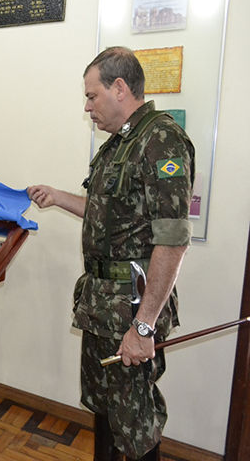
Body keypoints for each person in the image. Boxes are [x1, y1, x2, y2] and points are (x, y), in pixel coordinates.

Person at [28, 47, 194, 461]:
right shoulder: (120, 142)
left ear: (120, 88)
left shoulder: (160, 139)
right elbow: (110, 213)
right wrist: (59, 197)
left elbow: (172, 239)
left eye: (91, 95)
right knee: (105, 410)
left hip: (130, 308)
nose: (87, 107)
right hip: (102, 303)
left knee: (135, 423)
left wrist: (143, 328)